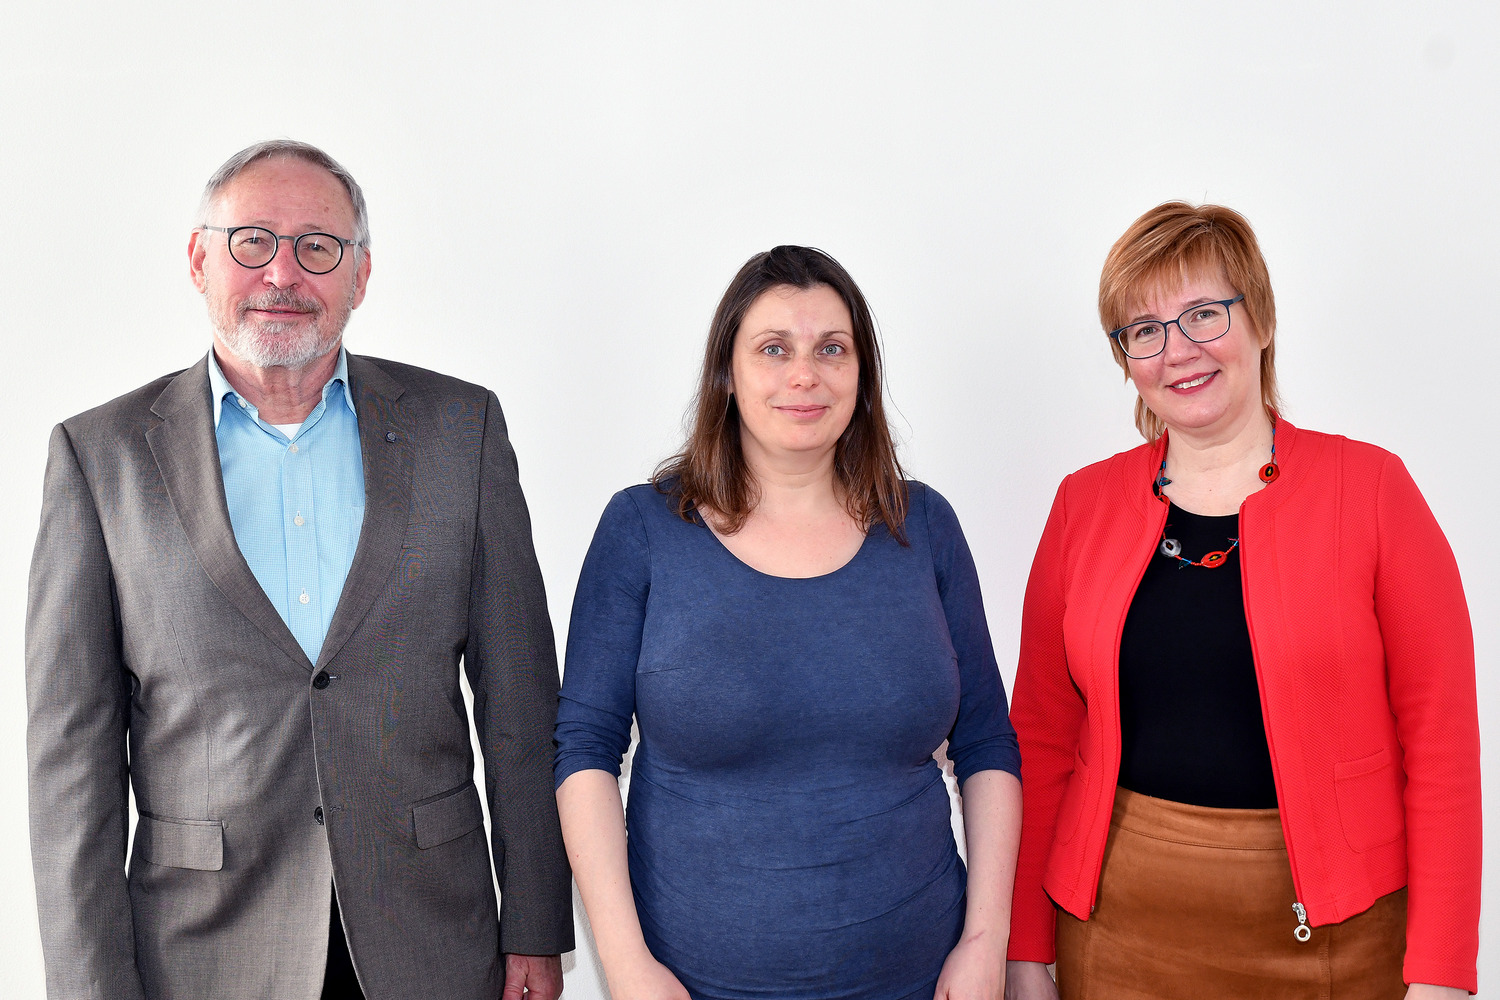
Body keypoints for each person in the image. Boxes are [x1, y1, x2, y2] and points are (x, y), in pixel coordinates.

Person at [26, 140, 573, 1000]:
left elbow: (520, 703)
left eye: (318, 246)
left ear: (360, 275)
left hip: (431, 942)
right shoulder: (102, 459)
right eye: (253, 241)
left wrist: (537, 926)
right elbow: (71, 758)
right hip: (200, 954)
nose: (284, 272)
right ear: (200, 259)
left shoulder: (460, 432)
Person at [1004, 203, 1480, 999]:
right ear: (1126, 358)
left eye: (1203, 314)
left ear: (1259, 318)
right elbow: (1042, 740)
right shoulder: (1082, 505)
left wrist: (1441, 976)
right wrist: (1026, 950)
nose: (1177, 350)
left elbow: (1442, 746)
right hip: (1115, 935)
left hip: (1332, 939)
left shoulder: (1370, 491)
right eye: (1144, 330)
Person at [554, 245, 1023, 1000]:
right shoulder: (643, 528)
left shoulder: (924, 525)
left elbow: (987, 744)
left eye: (831, 349)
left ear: (861, 375)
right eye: (774, 349)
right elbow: (582, 751)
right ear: (727, 373)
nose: (805, 374)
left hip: (923, 977)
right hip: (692, 986)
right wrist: (628, 966)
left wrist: (985, 941)